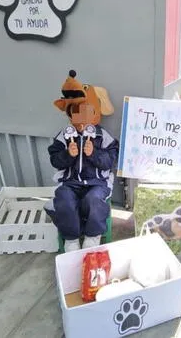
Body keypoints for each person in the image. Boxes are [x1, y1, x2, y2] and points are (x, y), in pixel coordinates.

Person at [45, 70, 118, 252]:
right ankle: (71, 238)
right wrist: (68, 155)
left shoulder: (102, 136)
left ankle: (93, 236)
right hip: (71, 183)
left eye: (86, 112)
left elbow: (110, 161)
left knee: (94, 199)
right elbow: (55, 160)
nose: (80, 120)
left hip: (97, 183)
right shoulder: (64, 136)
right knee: (63, 198)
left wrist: (93, 154)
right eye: (75, 113)